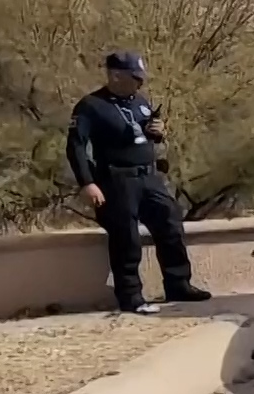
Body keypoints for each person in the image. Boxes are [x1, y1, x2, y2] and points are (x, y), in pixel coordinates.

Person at [66, 52, 211, 314]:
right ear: (115, 75)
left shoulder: (140, 102)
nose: (140, 82)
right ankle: (131, 295)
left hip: (148, 177)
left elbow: (141, 134)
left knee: (170, 224)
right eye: (134, 77)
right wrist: (87, 183)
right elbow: (75, 146)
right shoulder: (91, 106)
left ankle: (178, 284)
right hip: (116, 180)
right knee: (127, 238)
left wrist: (157, 132)